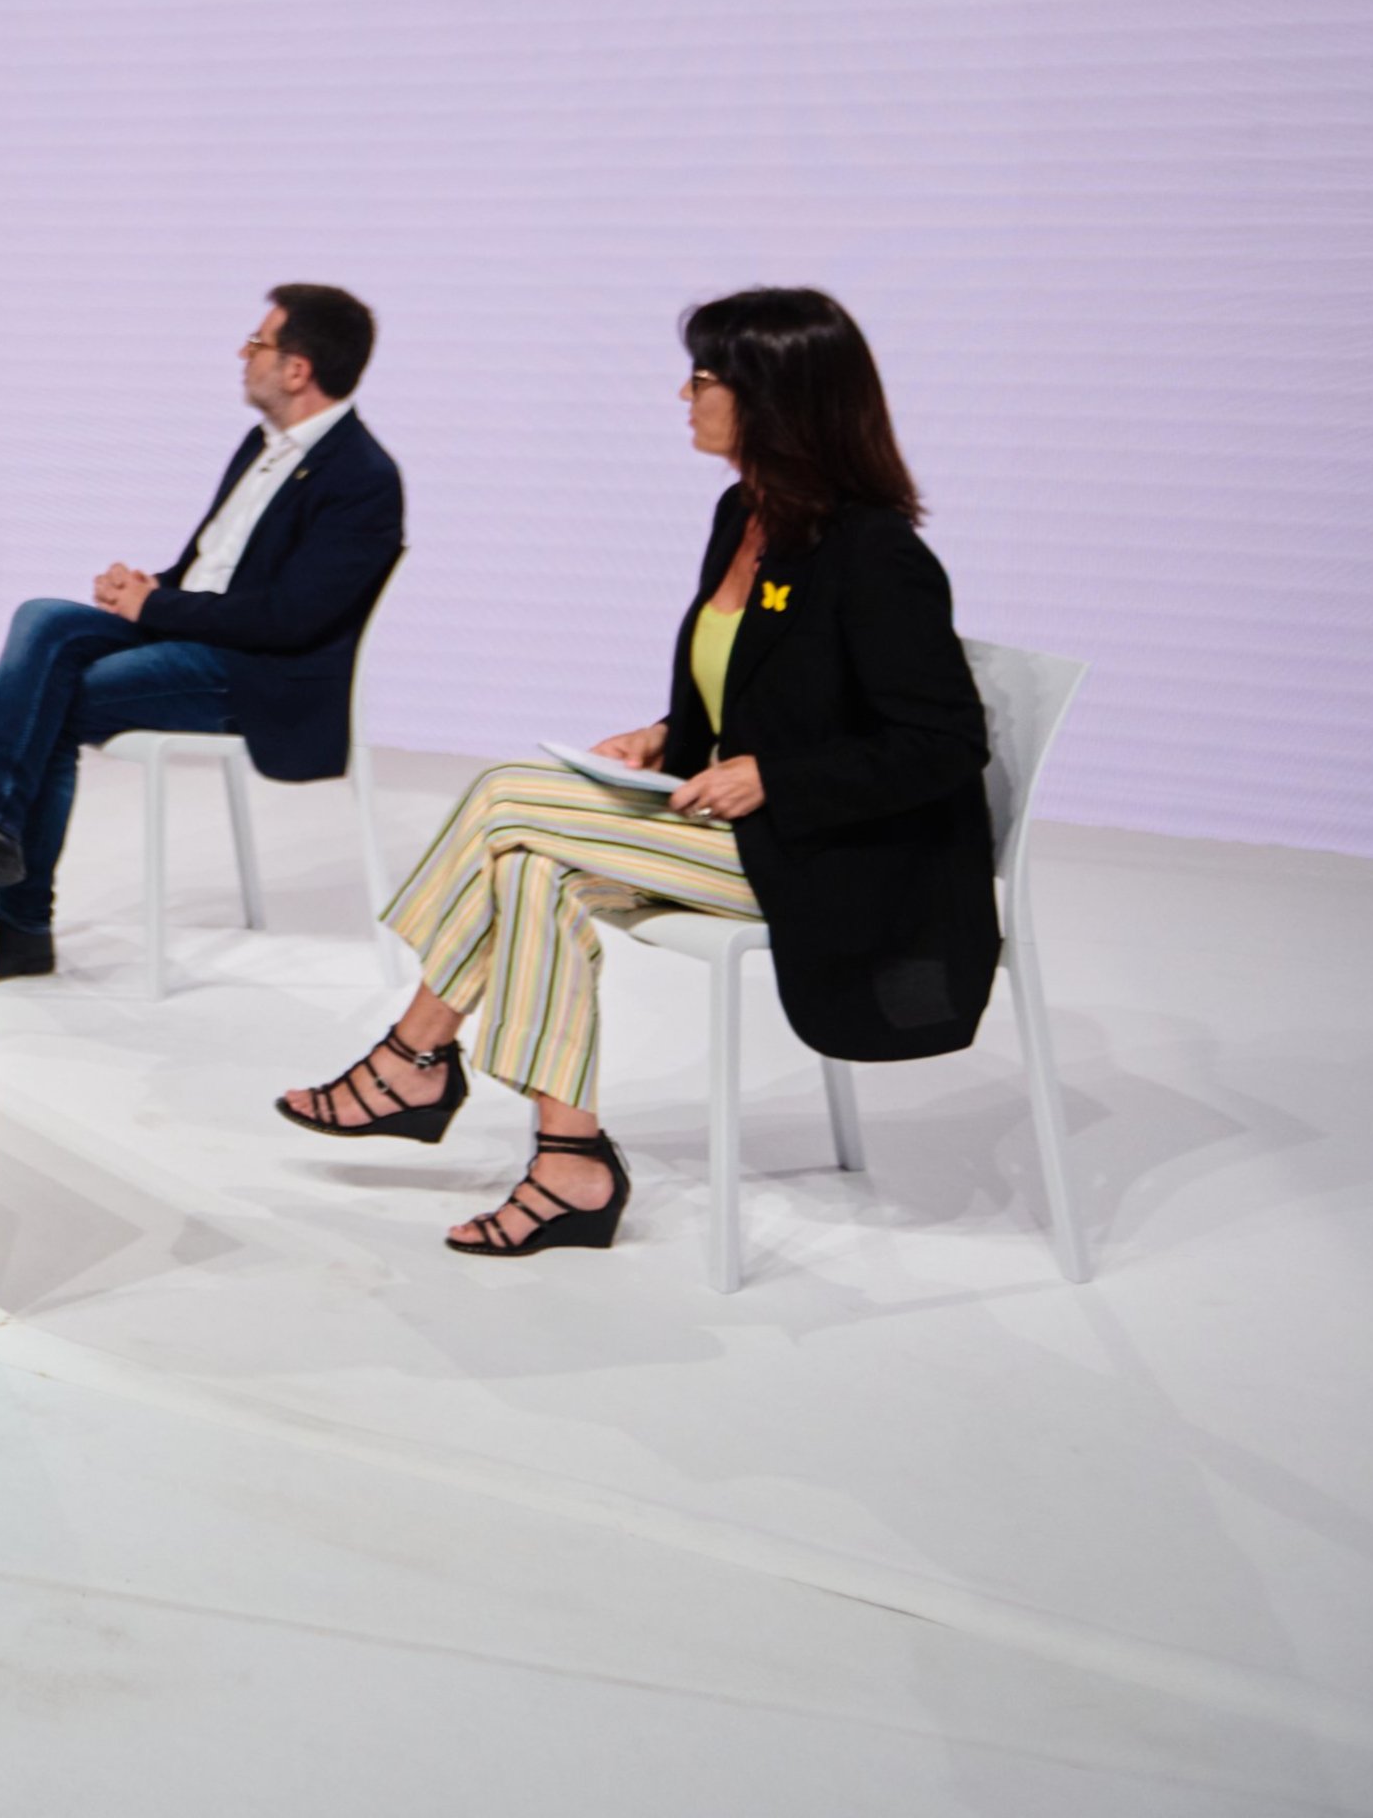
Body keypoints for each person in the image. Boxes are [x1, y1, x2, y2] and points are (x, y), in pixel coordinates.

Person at [277, 289, 993, 1259]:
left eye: (704, 378)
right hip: (743, 833)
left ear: (773, 396)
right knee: (531, 869)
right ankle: (571, 1161)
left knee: (502, 800)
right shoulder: (744, 512)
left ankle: (414, 1054)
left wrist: (775, 775)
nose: (685, 394)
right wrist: (666, 735)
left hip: (824, 857)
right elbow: (763, 682)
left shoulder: (876, 554)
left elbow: (944, 743)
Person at [0, 287, 403, 980]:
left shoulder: (363, 477)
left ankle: (16, 909)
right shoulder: (260, 446)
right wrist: (144, 590)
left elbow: (288, 619)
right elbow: (214, 569)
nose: (244, 354)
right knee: (42, 618)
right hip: (199, 635)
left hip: (261, 673)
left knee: (51, 698)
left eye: (258, 343)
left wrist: (153, 608)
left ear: (297, 370)